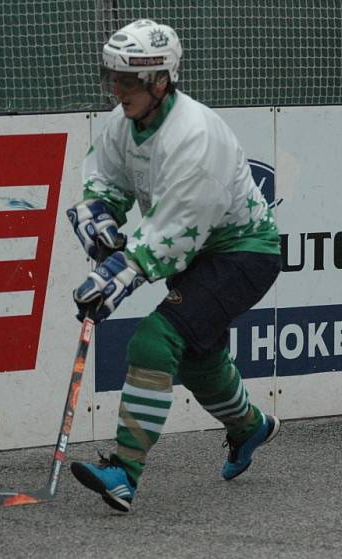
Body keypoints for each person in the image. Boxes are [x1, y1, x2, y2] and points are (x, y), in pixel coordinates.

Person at [66, 19, 281, 512]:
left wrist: (117, 274)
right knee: (197, 356)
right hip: (204, 250)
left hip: (244, 251)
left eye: (127, 81)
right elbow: (106, 176)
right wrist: (100, 214)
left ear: (160, 82)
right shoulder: (126, 121)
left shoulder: (195, 135)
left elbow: (176, 231)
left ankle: (122, 472)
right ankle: (250, 426)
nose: (116, 90)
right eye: (112, 78)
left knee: (154, 339)